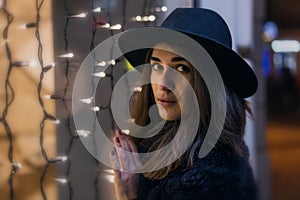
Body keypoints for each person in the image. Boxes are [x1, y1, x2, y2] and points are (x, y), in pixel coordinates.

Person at [110, 8, 258, 200]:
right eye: (156, 65)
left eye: (181, 68)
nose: (162, 84)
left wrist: (128, 196)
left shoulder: (210, 177)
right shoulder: (158, 141)